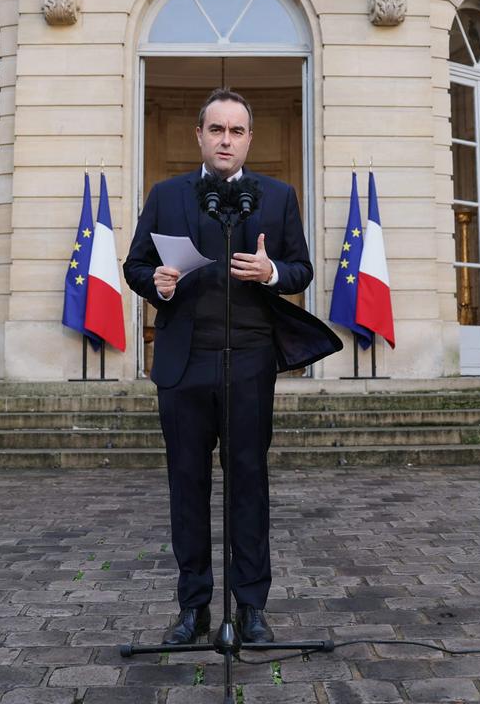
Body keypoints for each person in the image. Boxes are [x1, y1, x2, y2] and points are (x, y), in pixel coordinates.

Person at [124, 88, 340, 646]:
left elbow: (302, 269)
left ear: (249, 139)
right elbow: (135, 264)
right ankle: (193, 609)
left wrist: (271, 272)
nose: (225, 140)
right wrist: (156, 282)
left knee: (249, 484)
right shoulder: (167, 194)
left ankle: (251, 608)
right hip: (184, 361)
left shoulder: (278, 195)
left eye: (236, 131)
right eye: (216, 130)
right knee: (187, 487)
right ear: (199, 135)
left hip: (249, 361)